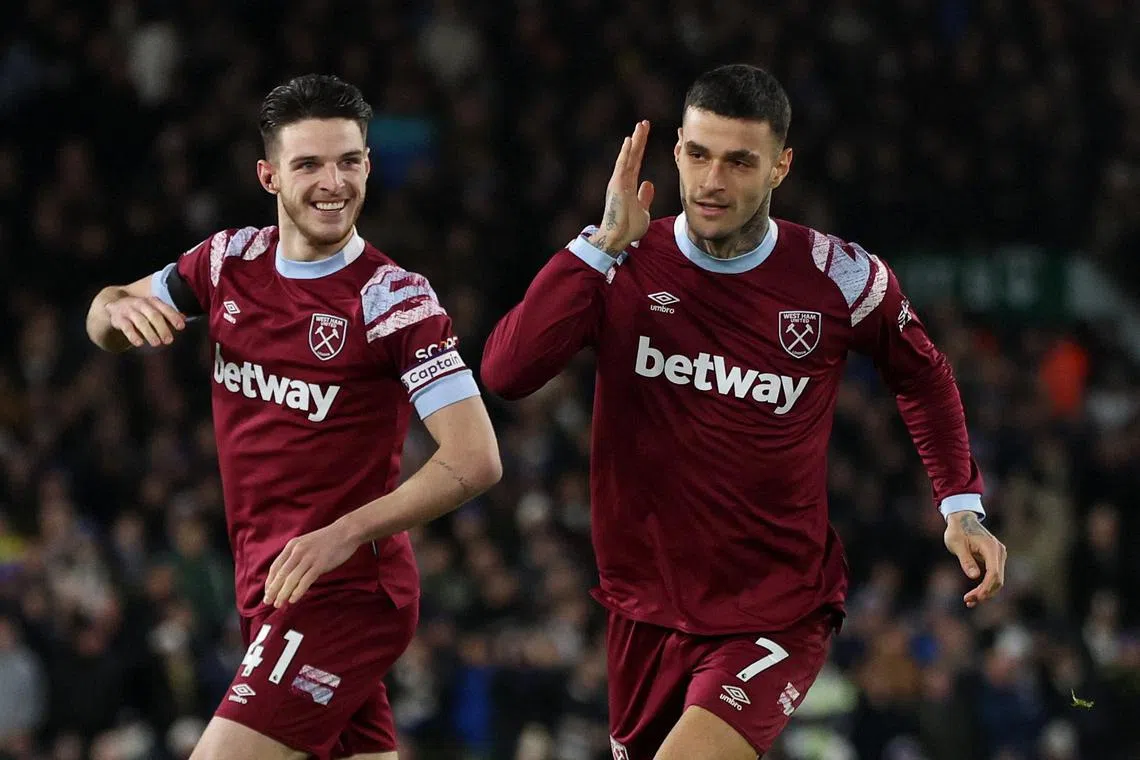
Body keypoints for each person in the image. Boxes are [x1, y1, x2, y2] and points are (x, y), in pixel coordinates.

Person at [481, 64, 1007, 760]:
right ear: (674, 153)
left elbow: (925, 375)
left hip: (777, 611)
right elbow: (505, 373)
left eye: (738, 161)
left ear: (779, 167)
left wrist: (961, 506)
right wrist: (600, 244)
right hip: (643, 609)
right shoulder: (625, 262)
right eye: (697, 155)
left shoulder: (841, 278)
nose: (711, 181)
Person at [85, 74, 502, 760]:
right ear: (269, 175)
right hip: (270, 589)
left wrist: (343, 534)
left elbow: (475, 458)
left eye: (348, 161)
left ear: (369, 164)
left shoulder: (393, 300)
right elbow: (110, 311)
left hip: (346, 594)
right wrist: (113, 309)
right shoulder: (226, 263)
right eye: (308, 163)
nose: (332, 182)